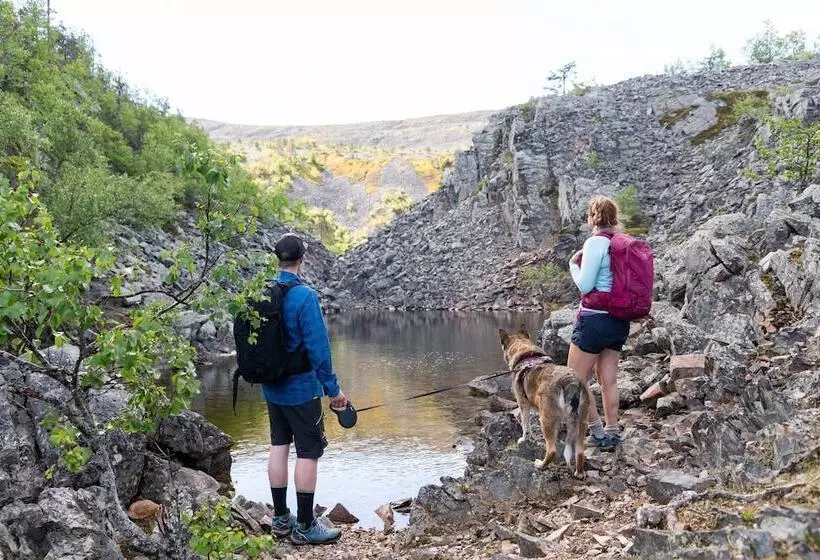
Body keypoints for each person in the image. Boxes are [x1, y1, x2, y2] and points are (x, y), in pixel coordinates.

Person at [265, 233, 348, 545]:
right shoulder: (304, 296)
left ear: (279, 258)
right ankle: (305, 525)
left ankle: (279, 519)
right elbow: (319, 350)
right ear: (302, 257)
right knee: (308, 453)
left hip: (272, 388)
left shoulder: (263, 291)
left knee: (278, 446)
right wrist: (334, 391)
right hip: (302, 390)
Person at [567, 196, 630, 452]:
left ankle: (597, 432)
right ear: (614, 216)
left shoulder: (595, 243)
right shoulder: (624, 244)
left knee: (575, 378)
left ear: (592, 217)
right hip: (619, 320)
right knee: (609, 379)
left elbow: (585, 284)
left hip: (594, 320)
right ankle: (613, 431)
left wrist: (572, 265)